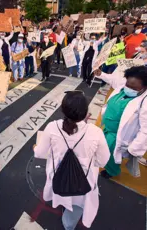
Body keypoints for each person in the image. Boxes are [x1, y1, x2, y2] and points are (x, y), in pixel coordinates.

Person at [34, 91, 110, 230]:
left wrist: (35, 148)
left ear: (63, 110)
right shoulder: (95, 132)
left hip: (58, 178)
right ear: (86, 112)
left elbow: (39, 153)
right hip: (83, 181)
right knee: (76, 208)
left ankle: (64, 210)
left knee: (62, 196)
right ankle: (68, 225)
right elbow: (103, 160)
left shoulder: (52, 127)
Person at [94, 66, 147, 176]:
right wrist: (101, 74)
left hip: (119, 136)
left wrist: (134, 148)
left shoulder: (144, 103)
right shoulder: (122, 88)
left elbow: (145, 130)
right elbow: (113, 79)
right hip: (107, 129)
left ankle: (111, 172)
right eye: (127, 84)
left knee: (111, 156)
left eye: (134, 88)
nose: (129, 88)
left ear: (144, 88)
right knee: (102, 150)